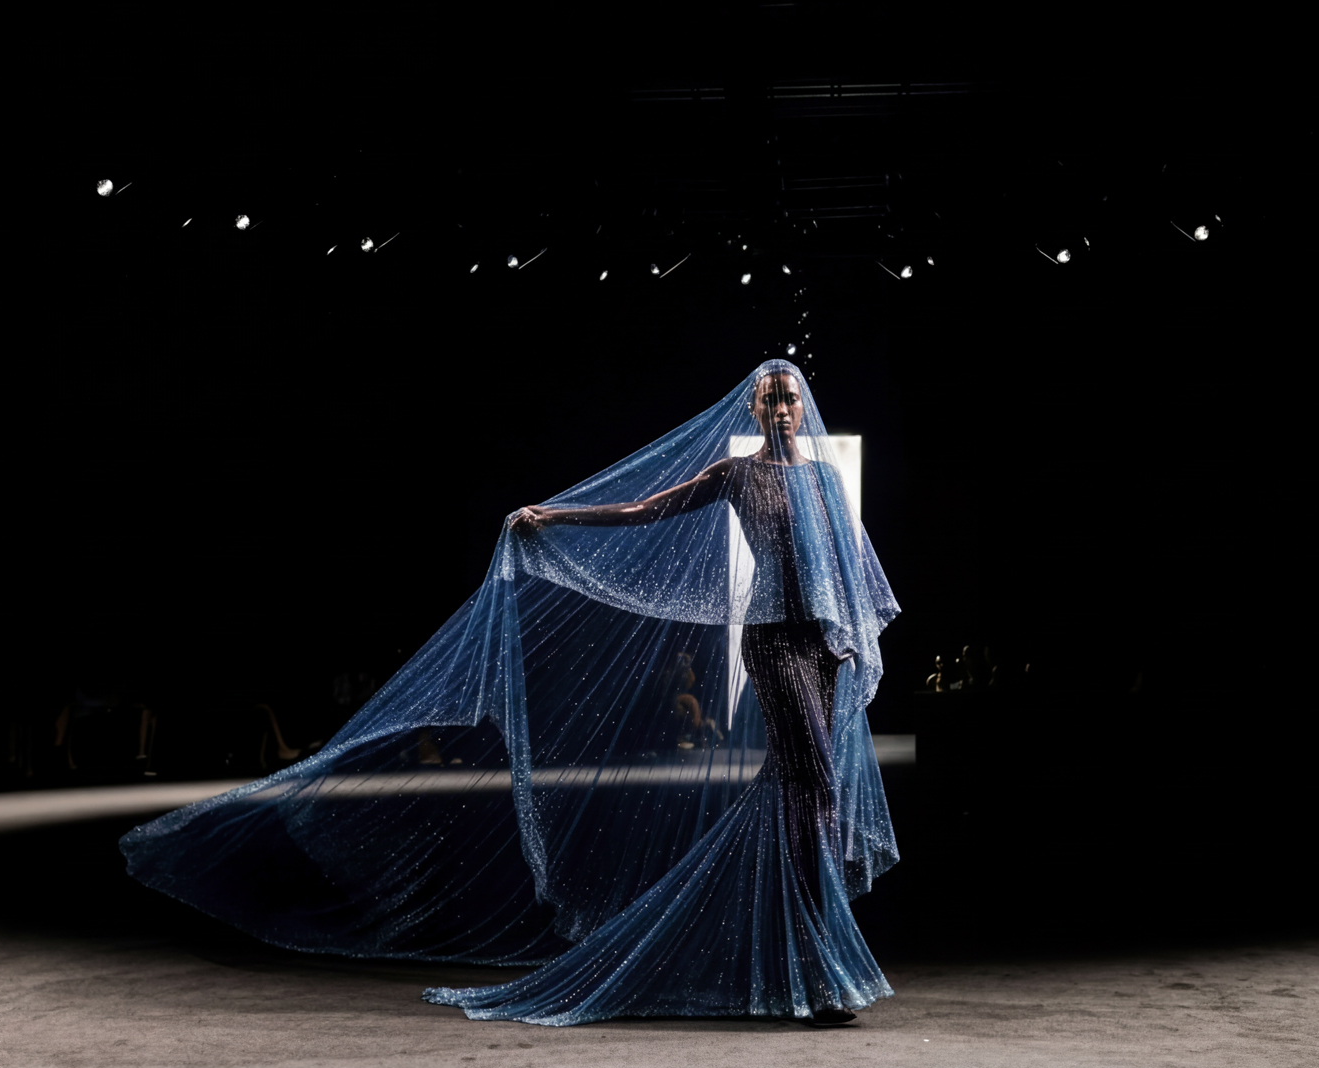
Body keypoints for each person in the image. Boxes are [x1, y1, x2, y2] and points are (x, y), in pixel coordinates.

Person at [119, 360, 900, 1028]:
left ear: (802, 407)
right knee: (811, 785)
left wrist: (851, 634)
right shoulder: (735, 475)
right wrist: (553, 516)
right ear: (754, 409)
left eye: (789, 398)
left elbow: (848, 561)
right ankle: (816, 964)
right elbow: (645, 510)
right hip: (772, 640)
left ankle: (802, 960)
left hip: (819, 640)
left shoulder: (823, 481)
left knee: (804, 791)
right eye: (770, 399)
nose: (781, 408)